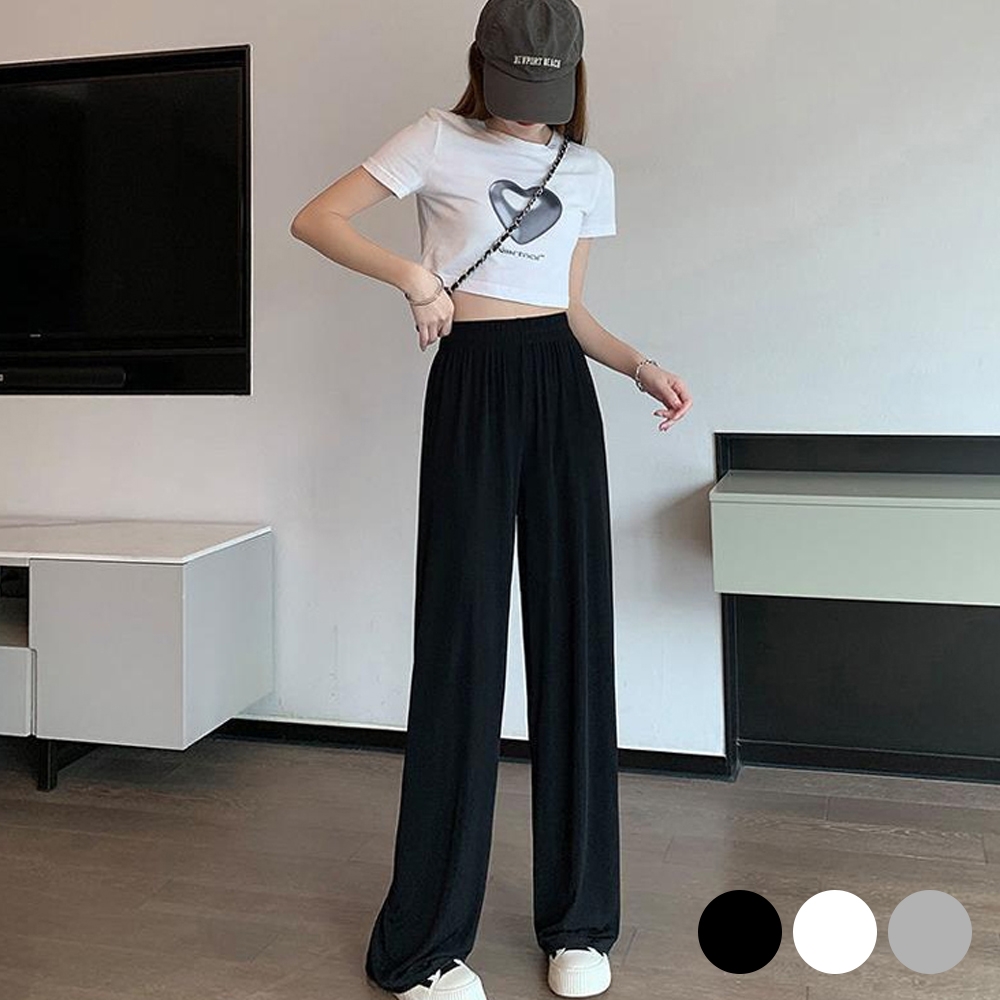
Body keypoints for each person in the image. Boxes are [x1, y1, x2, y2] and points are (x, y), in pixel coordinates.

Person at [290, 1, 693, 997]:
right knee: (461, 641)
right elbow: (317, 218)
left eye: (543, 94)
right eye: (513, 91)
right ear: (482, 67)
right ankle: (425, 944)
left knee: (574, 641)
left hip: (561, 385)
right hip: (471, 382)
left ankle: (580, 922)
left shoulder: (587, 171)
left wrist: (638, 365)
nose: (526, 112)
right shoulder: (436, 138)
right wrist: (415, 278)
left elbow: (569, 306)